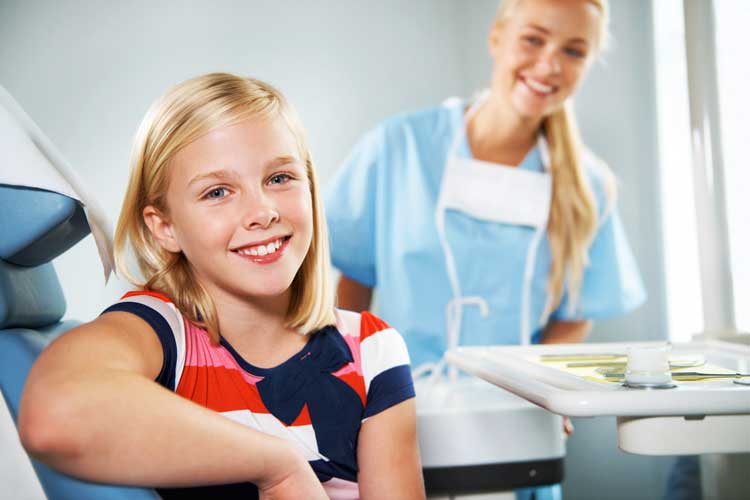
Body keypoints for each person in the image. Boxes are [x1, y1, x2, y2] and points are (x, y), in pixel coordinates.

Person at [19, 73, 425, 500]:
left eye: (279, 178)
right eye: (217, 192)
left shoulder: (372, 349)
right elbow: (54, 413)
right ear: (165, 228)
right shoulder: (159, 332)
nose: (262, 211)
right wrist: (278, 466)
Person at [325, 0, 645, 498]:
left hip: (516, 426)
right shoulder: (400, 149)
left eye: (574, 51)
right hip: (398, 415)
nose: (549, 65)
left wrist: (545, 391)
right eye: (534, 39)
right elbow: (353, 287)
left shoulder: (587, 187)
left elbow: (576, 311)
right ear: (497, 36)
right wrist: (344, 386)